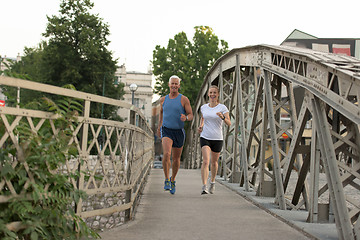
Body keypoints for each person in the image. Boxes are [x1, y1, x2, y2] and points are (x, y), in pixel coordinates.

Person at [157, 75, 193, 194]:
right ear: (169, 84)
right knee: (167, 154)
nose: (174, 86)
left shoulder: (184, 99)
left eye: (176, 84)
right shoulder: (163, 100)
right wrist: (159, 126)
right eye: (172, 83)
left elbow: (191, 115)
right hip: (166, 130)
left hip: (179, 131)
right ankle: (167, 179)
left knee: (176, 159)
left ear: (179, 85)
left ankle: (173, 179)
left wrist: (186, 117)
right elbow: (161, 114)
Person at [198, 85, 230, 194]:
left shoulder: (222, 108)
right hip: (205, 136)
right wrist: (201, 126)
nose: (212, 95)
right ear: (208, 94)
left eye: (214, 93)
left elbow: (229, 123)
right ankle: (204, 186)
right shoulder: (203, 107)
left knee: (214, 162)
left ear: (217, 94)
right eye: (210, 92)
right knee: (206, 161)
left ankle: (212, 182)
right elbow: (203, 118)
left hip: (217, 138)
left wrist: (222, 117)